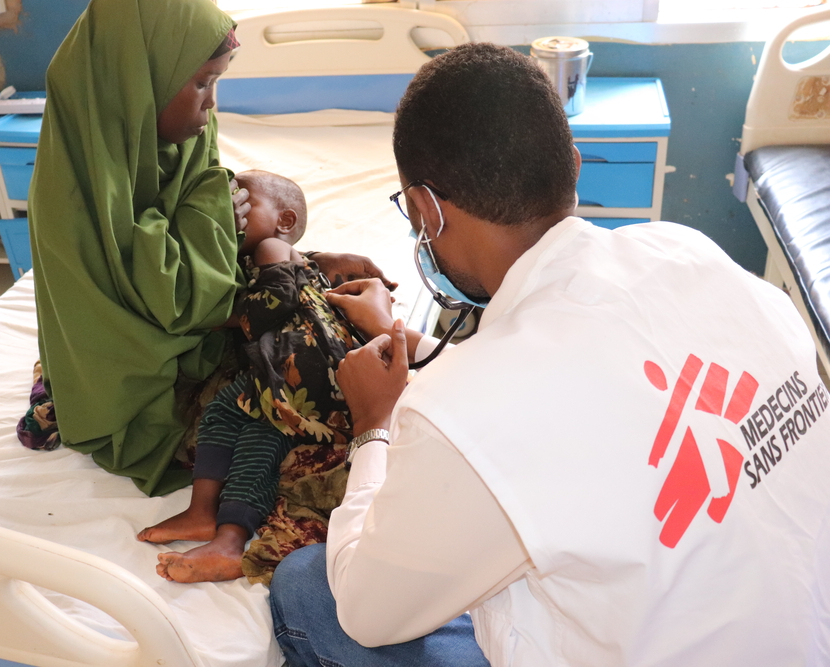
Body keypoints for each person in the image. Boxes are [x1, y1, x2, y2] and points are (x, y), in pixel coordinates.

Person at [268, 43, 830, 667]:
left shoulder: (465, 410)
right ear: (574, 164)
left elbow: (369, 616)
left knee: (309, 588)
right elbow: (590, 382)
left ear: (426, 210)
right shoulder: (687, 252)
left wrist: (375, 426)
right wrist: (416, 344)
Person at [23, 0, 389, 497]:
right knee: (314, 421)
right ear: (137, 83)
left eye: (217, 82)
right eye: (201, 83)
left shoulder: (186, 143)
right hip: (136, 381)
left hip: (196, 333)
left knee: (336, 355)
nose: (212, 103)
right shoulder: (75, 194)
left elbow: (212, 257)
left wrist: (310, 264)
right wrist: (278, 276)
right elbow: (167, 307)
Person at [137, 170, 360, 583]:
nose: (233, 210)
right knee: (261, 433)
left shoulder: (273, 246)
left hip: (299, 365)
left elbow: (276, 298)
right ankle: (229, 539)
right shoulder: (293, 259)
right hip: (320, 383)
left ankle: (202, 509)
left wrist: (223, 315)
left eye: (245, 201)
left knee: (223, 413)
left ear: (284, 222)